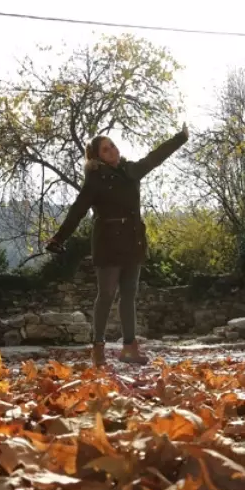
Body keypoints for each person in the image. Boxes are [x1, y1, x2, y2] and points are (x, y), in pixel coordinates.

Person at [46, 124, 189, 366]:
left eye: (112, 145)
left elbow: (155, 158)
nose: (112, 150)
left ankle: (130, 349)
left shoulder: (130, 170)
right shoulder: (95, 180)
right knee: (107, 294)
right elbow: (77, 210)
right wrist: (59, 237)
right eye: (106, 149)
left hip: (133, 241)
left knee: (129, 295)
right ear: (97, 156)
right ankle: (98, 349)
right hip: (108, 242)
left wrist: (180, 138)